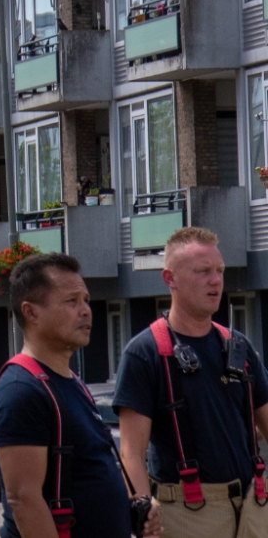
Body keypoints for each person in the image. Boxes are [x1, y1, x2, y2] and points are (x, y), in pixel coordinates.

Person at [0, 253, 160, 538]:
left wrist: (131, 509)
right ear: (30, 312)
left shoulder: (72, 383)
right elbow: (23, 500)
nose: (86, 311)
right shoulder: (20, 392)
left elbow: (85, 474)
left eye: (86, 300)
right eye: (71, 301)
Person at [115, 227, 268, 538]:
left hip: (254, 507)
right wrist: (144, 510)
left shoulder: (238, 346)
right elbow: (131, 451)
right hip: (186, 515)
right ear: (170, 278)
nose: (216, 280)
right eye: (203, 271)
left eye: (219, 271)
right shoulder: (145, 353)